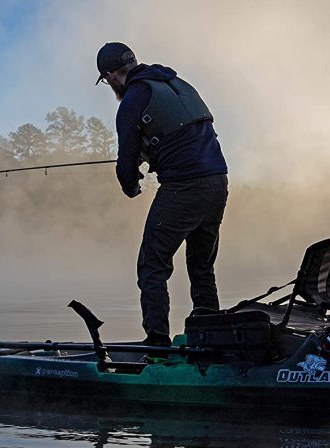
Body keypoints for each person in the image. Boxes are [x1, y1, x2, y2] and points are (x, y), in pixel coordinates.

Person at [95, 42, 229, 346]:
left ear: (110, 76)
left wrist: (132, 186)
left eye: (106, 81)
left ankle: (157, 345)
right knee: (201, 266)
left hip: (184, 186)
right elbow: (181, 134)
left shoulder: (132, 100)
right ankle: (211, 340)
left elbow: (125, 166)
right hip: (218, 182)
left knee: (152, 267)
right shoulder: (175, 83)